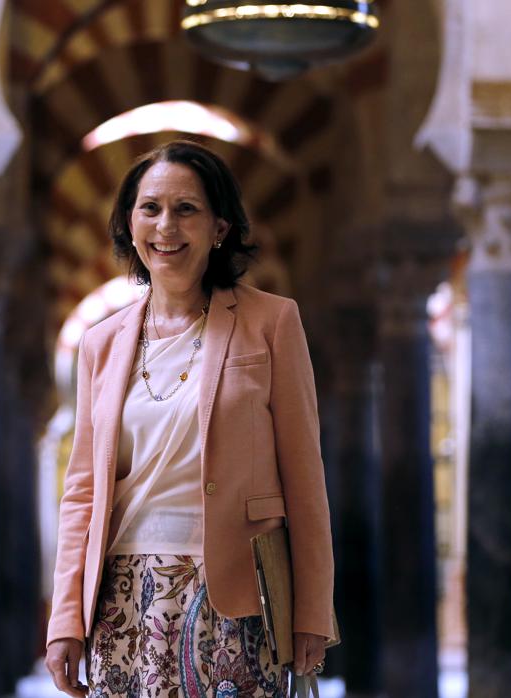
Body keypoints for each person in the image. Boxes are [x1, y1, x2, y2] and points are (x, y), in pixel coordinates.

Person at [44, 140, 335, 698]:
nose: (166, 226)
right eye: (150, 208)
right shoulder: (100, 345)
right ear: (130, 224)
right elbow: (81, 493)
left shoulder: (272, 322)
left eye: (186, 209)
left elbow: (305, 480)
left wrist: (313, 612)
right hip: (122, 602)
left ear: (219, 227)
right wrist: (65, 622)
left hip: (238, 598)